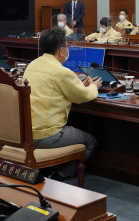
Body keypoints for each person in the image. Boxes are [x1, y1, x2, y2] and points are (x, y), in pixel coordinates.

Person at [24, 28, 101, 182]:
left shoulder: (32, 65)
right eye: (67, 46)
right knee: (90, 141)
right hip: (47, 135)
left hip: (25, 132)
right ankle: (60, 176)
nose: (68, 50)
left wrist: (78, 84)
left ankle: (48, 170)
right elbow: (84, 96)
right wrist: (93, 87)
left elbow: (55, 87)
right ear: (61, 50)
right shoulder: (62, 72)